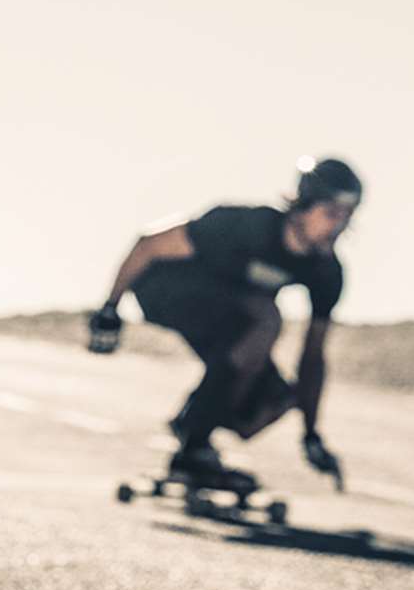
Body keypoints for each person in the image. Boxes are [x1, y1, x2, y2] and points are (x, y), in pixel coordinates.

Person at [85, 157, 361, 491]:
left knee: (278, 399)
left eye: (348, 216)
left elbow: (313, 355)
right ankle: (195, 440)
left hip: (230, 319)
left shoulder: (326, 272)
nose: (339, 225)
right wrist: (111, 308)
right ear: (303, 205)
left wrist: (311, 432)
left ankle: (194, 434)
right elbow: (149, 245)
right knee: (265, 319)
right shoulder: (243, 225)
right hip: (167, 290)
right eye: (331, 213)